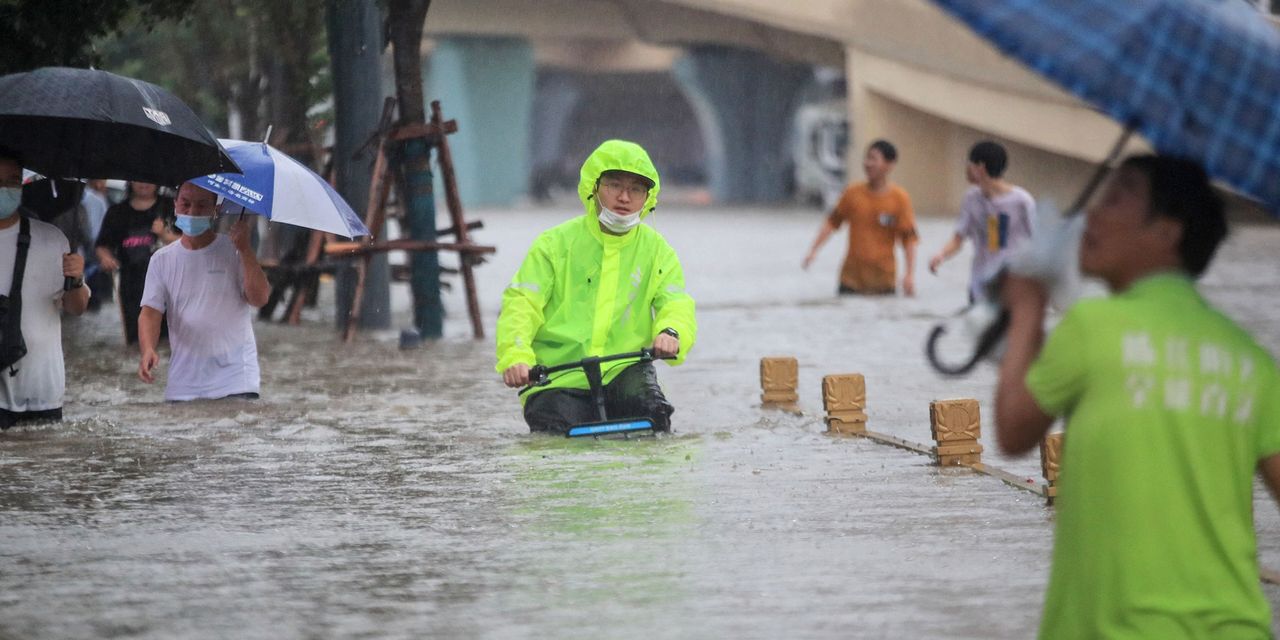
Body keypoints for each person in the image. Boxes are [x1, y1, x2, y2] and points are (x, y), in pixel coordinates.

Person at [994, 155, 1280, 638]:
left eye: (1118, 197)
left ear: (1168, 233)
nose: (1092, 216)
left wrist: (1026, 309)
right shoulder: (1251, 361)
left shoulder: (1093, 328)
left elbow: (1013, 428)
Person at [495, 139, 697, 434]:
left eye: (636, 190)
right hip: (558, 376)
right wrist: (516, 357)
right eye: (614, 185)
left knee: (655, 419)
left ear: (648, 199)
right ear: (593, 186)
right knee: (556, 436)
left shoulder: (658, 251)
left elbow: (674, 302)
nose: (624, 197)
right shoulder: (554, 244)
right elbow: (522, 303)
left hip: (625, 370)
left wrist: (671, 332)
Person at [137, 182, 270, 401]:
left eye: (201, 205)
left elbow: (260, 298)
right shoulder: (161, 260)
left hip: (236, 379)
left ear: (215, 210)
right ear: (175, 205)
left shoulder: (234, 250)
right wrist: (148, 348)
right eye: (186, 204)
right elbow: (150, 312)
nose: (192, 212)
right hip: (184, 383)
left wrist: (246, 251)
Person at [0, 150, 90, 429]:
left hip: (42, 390)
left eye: (12, 181)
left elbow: (76, 307)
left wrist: (75, 278)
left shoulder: (52, 240)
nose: (5, 189)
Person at [802, 139, 918, 296]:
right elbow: (832, 223)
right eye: (867, 158)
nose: (868, 163)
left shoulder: (900, 199)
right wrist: (813, 250)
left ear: (889, 164)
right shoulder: (852, 193)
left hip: (883, 283)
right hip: (850, 282)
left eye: (874, 159)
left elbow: (909, 238)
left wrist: (909, 274)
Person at [929, 141, 1035, 302]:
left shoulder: (1022, 201)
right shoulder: (971, 199)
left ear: (980, 167)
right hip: (979, 288)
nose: (966, 169)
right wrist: (941, 255)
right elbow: (959, 238)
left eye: (969, 164)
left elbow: (1038, 243)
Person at [95, 181, 174, 344]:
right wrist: (106, 258)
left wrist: (165, 236)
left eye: (149, 179)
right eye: (138, 179)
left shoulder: (170, 207)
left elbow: (190, 241)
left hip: (168, 284)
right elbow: (102, 246)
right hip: (131, 284)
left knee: (168, 339)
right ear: (129, 182)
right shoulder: (117, 212)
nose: (144, 184)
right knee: (137, 339)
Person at [80, 179, 112, 311]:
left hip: (93, 255)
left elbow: (104, 227)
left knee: (93, 300)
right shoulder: (68, 201)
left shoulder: (98, 201)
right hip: (77, 252)